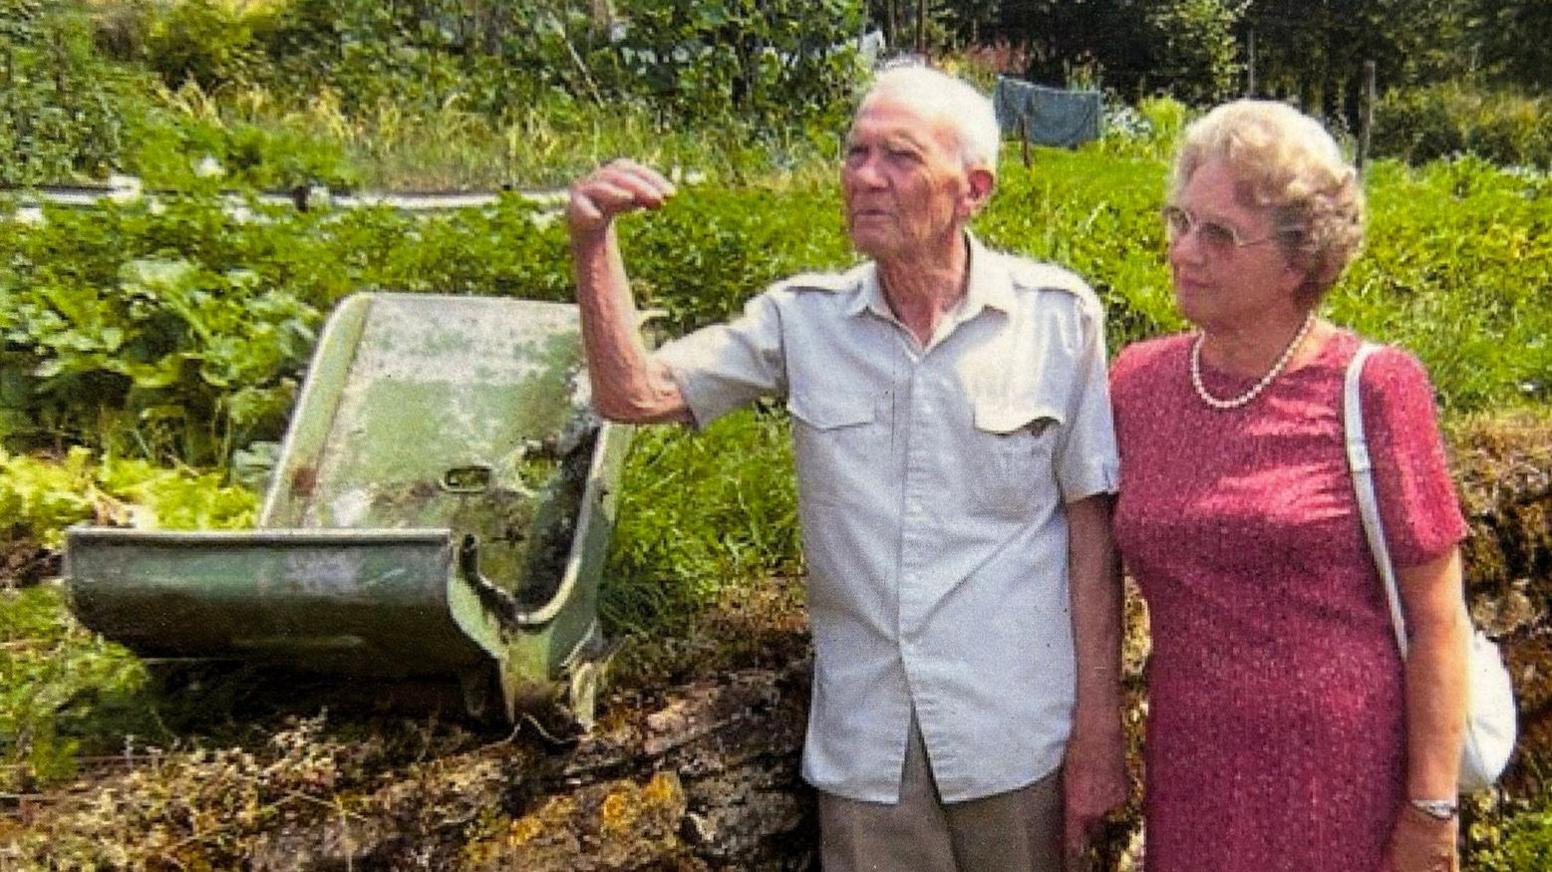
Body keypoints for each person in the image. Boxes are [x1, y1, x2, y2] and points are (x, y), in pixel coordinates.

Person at [566, 65, 1126, 871]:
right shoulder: (803, 321)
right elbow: (633, 395)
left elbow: (1090, 542)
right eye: (855, 152)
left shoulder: (1056, 319)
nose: (864, 177)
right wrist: (593, 241)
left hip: (1016, 739)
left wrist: (1098, 736)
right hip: (870, 748)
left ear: (973, 189)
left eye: (898, 156)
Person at [1109, 99, 1471, 872]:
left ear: (1299, 258)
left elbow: (1439, 619)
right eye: (1180, 220)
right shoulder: (1136, 383)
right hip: (1193, 771)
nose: (1183, 251)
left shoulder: (1375, 387)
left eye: (1219, 234)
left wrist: (1431, 810)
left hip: (1342, 778)